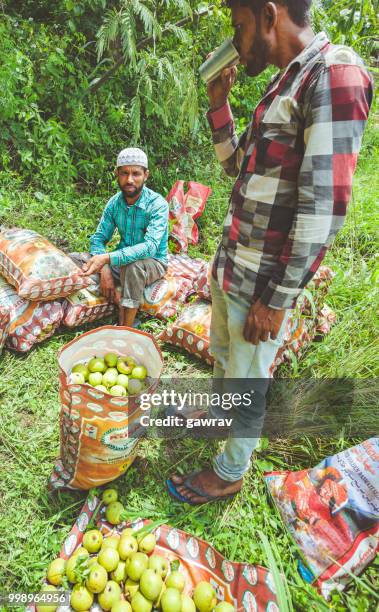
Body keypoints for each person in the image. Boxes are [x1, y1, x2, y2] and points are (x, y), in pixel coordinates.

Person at [168, 0, 373, 504]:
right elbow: (236, 166)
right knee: (224, 360)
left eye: (238, 27)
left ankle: (230, 470)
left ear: (268, 14)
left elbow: (324, 207)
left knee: (248, 379)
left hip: (262, 283)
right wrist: (220, 105)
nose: (236, 42)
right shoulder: (284, 82)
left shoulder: (335, 75)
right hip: (234, 266)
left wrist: (277, 300)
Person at [79, 147, 169, 327]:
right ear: (116, 174)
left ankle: (126, 327)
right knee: (78, 259)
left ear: (146, 175)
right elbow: (98, 239)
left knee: (132, 266)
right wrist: (104, 267)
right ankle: (118, 300)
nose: (129, 180)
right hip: (119, 262)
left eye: (136, 174)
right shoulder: (114, 203)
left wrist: (107, 258)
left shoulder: (158, 204)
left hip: (152, 262)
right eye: (124, 173)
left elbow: (150, 247)